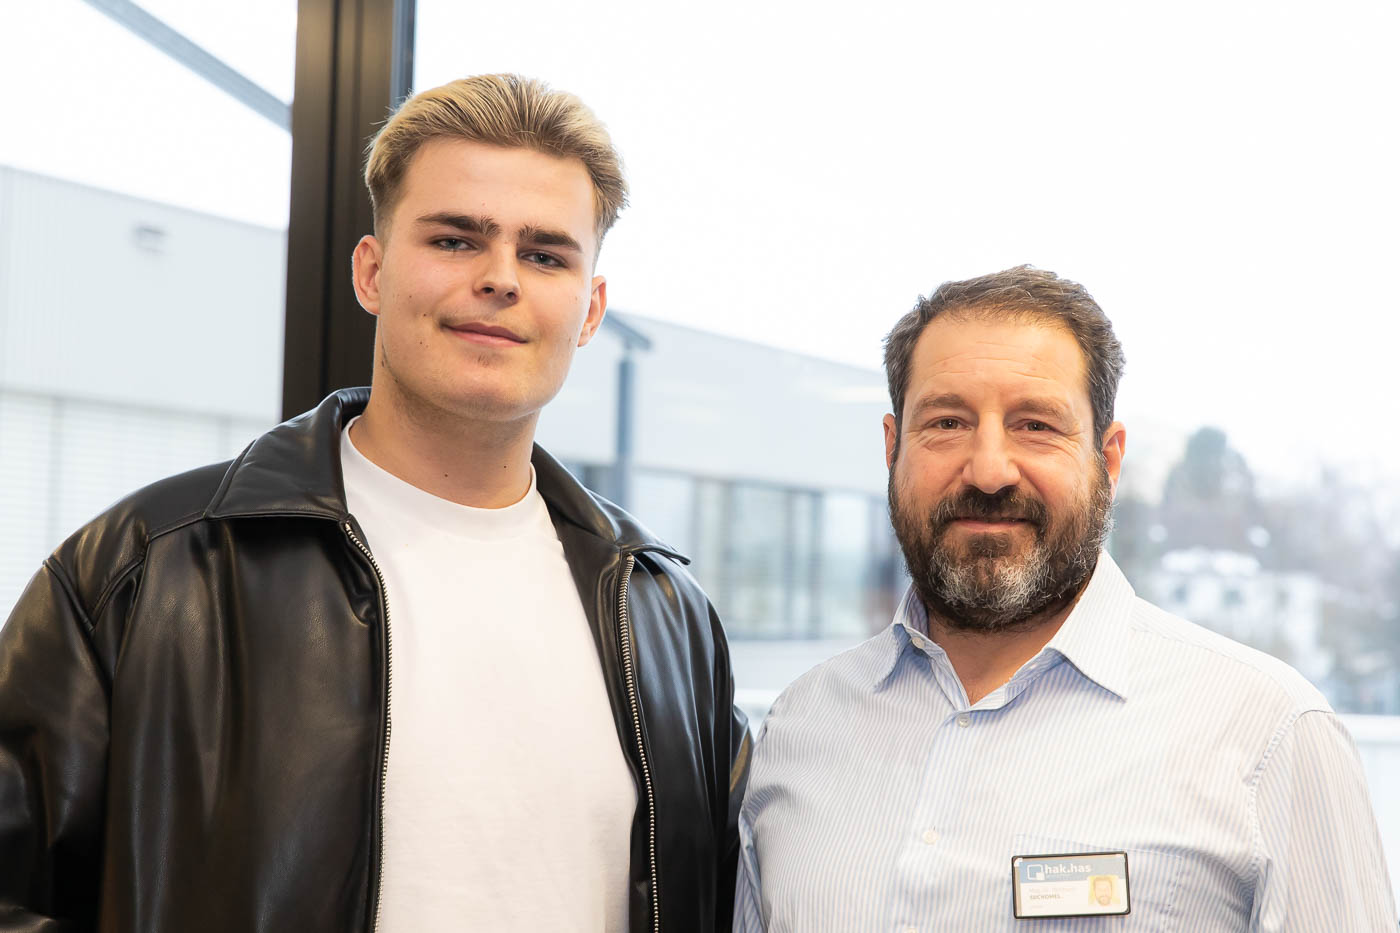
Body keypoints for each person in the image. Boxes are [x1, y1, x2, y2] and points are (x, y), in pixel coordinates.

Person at [0, 74, 749, 932]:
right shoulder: (145, 568)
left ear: (590, 310)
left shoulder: (666, 616)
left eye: (546, 255)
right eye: (456, 240)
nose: (501, 278)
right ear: (372, 271)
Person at [733, 266, 1395, 931]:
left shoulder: (1272, 737)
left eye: (1036, 425)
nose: (989, 470)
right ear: (892, 447)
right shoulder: (800, 728)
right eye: (948, 422)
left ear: (1109, 459)